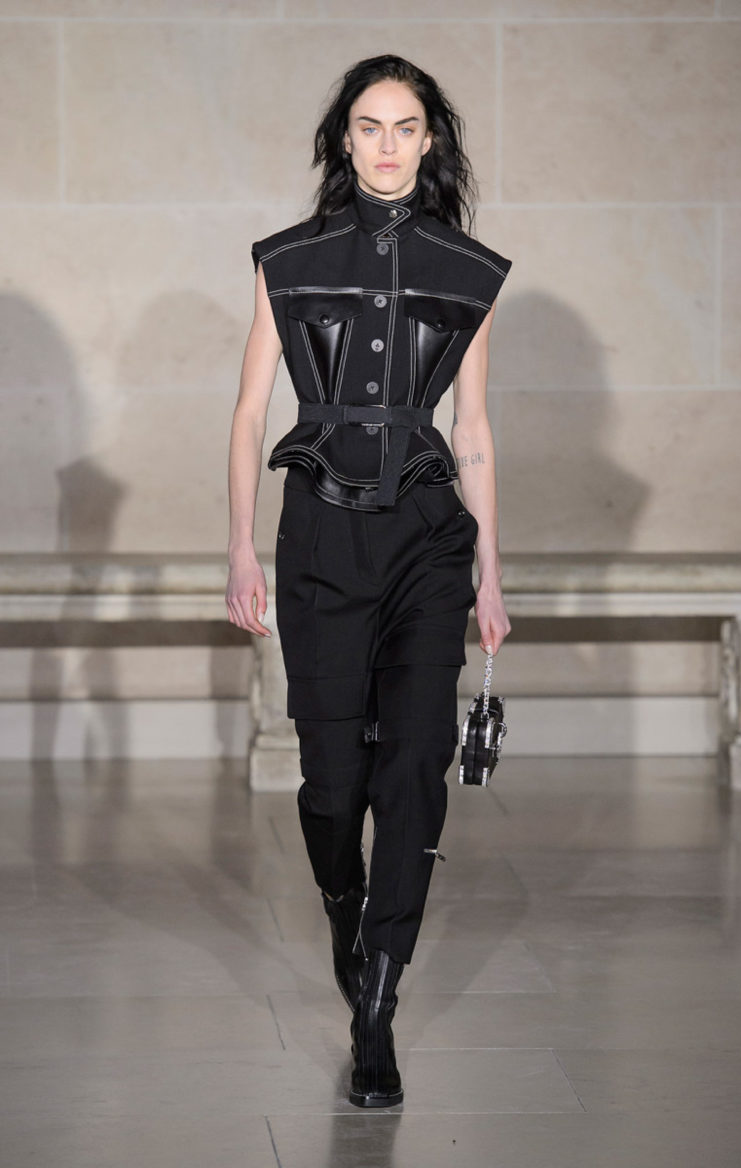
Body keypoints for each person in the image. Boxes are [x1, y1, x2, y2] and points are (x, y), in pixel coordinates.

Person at [226, 54, 511, 1108]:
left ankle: (377, 1006)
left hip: (428, 539)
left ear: (429, 141)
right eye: (368, 126)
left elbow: (470, 430)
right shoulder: (288, 261)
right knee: (331, 781)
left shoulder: (467, 271)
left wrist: (489, 573)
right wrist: (239, 546)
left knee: (417, 763)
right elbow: (249, 413)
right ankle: (344, 911)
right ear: (341, 140)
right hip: (319, 538)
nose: (387, 145)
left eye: (405, 126)